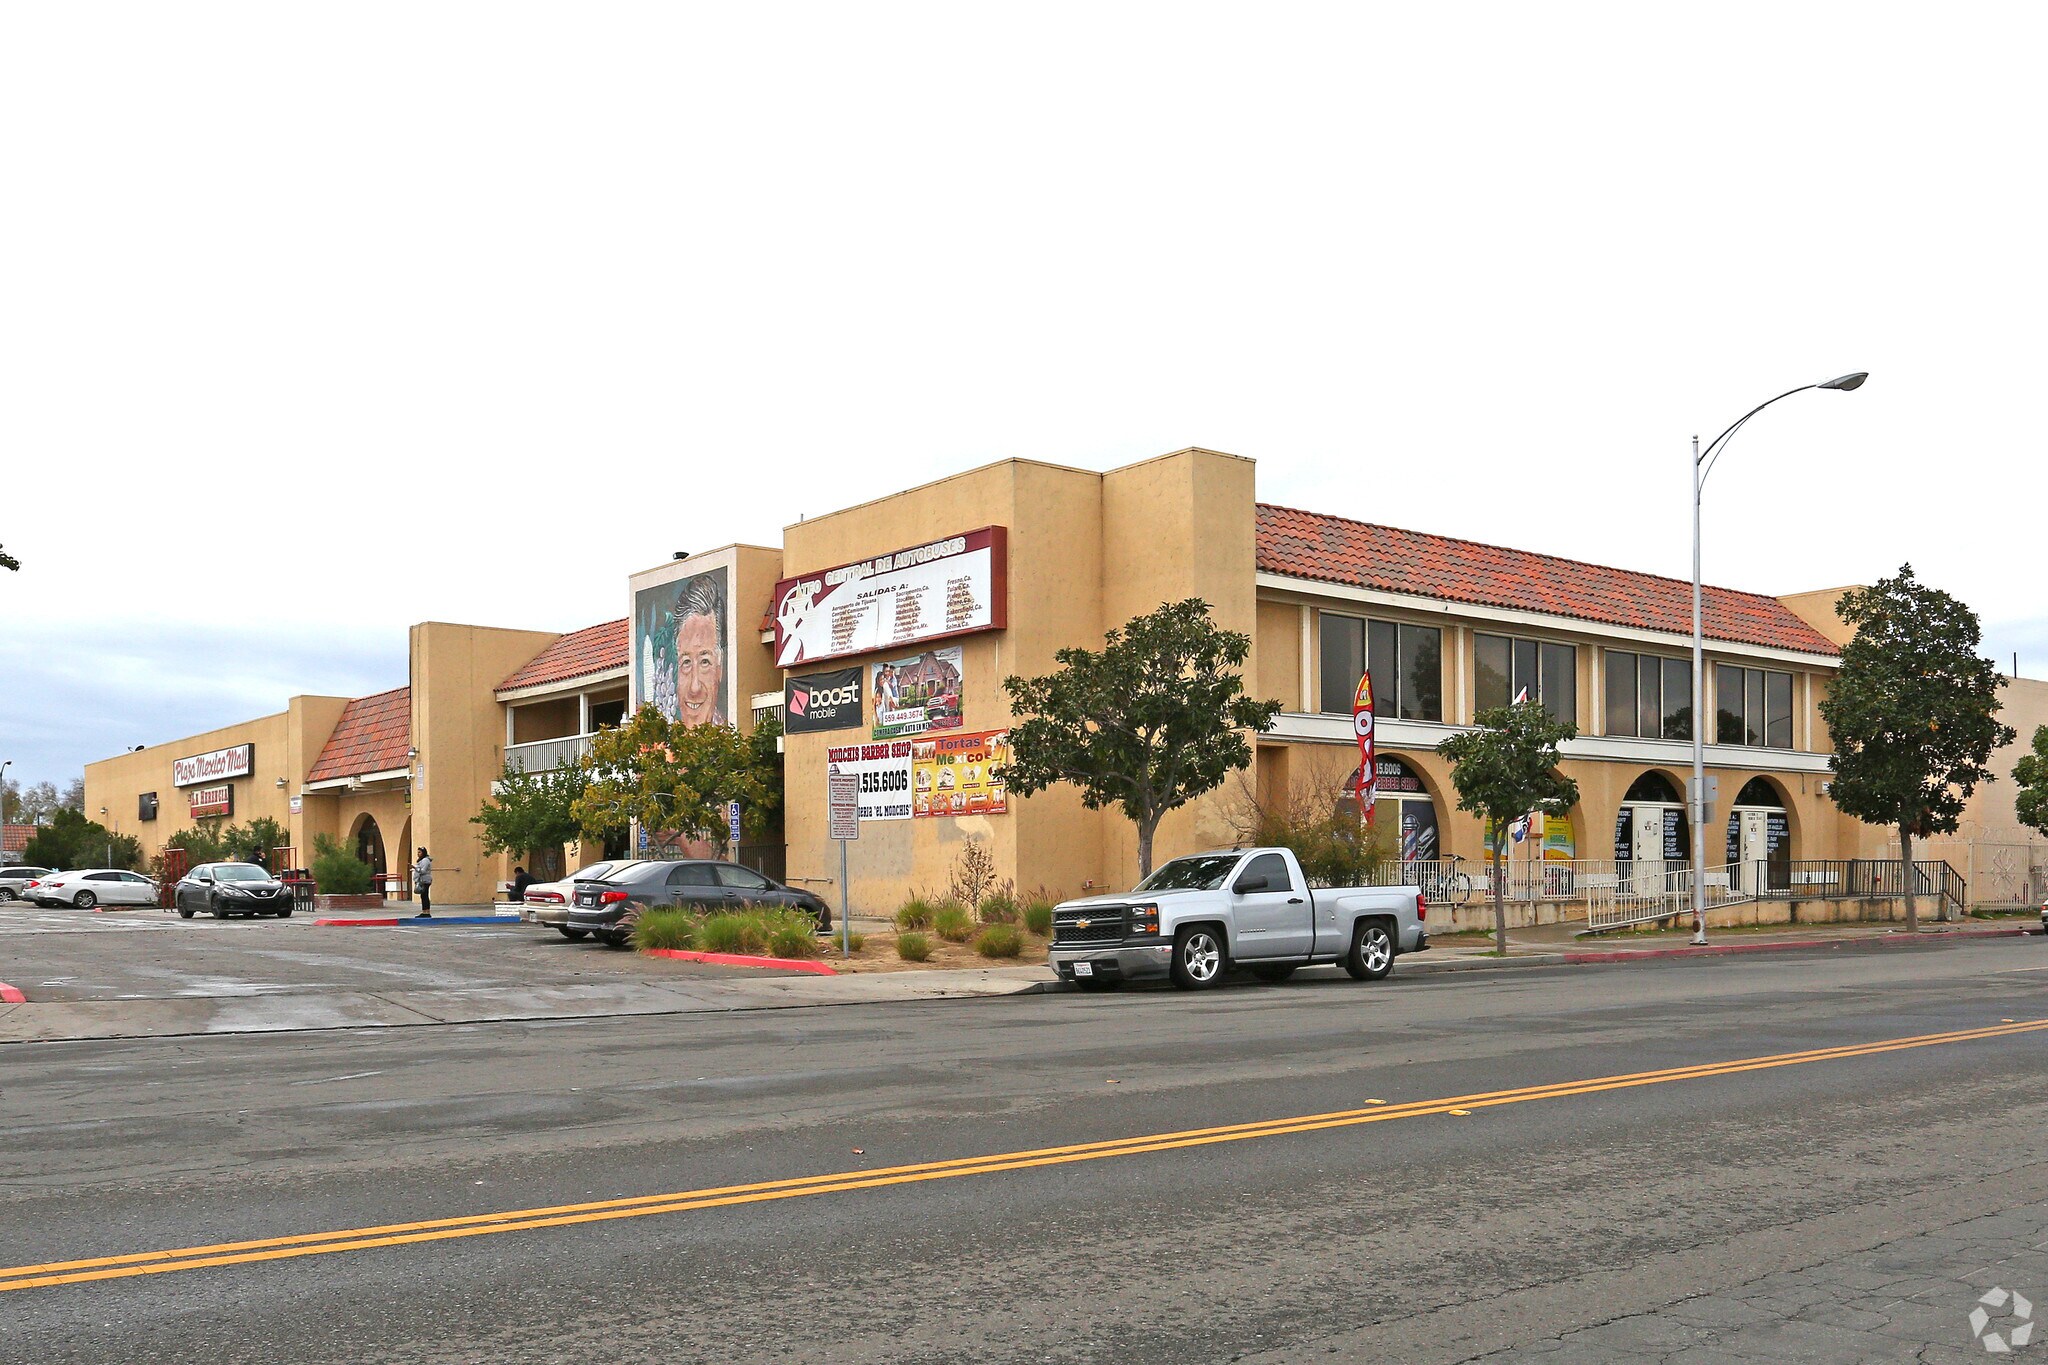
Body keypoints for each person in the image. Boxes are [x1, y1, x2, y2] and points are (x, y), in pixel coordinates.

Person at [413, 847, 433, 918]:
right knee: (423, 896)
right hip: (422, 880)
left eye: (420, 852)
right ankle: (424, 911)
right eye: (418, 852)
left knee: (425, 896)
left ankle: (426, 912)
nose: (418, 854)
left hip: (425, 880)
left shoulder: (425, 860)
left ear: (423, 852)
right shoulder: (421, 860)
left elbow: (423, 870)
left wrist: (415, 868)